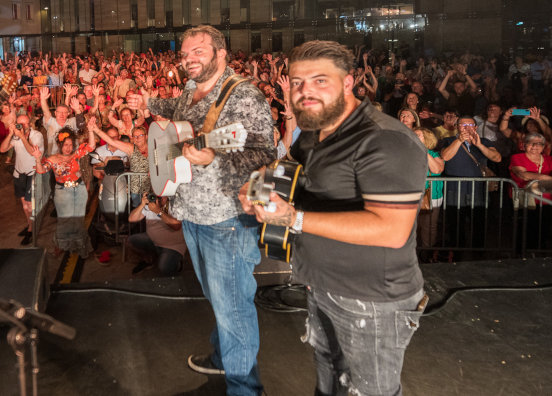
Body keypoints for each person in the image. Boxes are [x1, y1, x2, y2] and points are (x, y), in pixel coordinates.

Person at [241, 40, 429, 396]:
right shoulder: (316, 129)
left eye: (319, 80)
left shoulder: (385, 140)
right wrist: (257, 188)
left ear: (348, 82)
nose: (305, 91)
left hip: (372, 300)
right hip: (322, 285)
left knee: (371, 391)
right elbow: (291, 170)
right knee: (328, 380)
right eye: (296, 81)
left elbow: (391, 229)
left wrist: (294, 218)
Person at [130, 25, 275, 396]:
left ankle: (245, 389)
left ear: (221, 53)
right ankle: (224, 356)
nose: (189, 59)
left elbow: (266, 155)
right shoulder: (190, 91)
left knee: (233, 306)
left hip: (226, 218)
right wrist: (147, 103)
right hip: (192, 213)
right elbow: (175, 113)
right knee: (217, 298)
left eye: (198, 52)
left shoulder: (243, 95)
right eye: (184, 53)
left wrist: (216, 159)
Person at [437, 115, 502, 252]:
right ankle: (457, 250)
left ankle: (478, 250)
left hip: (478, 187)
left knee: (478, 220)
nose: (467, 128)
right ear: (456, 127)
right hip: (454, 187)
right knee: (455, 221)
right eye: (463, 125)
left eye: (471, 125)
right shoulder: (448, 140)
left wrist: (479, 145)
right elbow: (445, 157)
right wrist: (458, 141)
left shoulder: (484, 141)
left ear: (476, 127)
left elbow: (497, 158)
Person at [33, 125, 97, 259]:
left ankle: (80, 246)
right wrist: (38, 158)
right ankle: (60, 246)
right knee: (64, 220)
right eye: (66, 144)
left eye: (70, 145)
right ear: (59, 144)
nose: (68, 147)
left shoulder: (76, 154)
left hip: (79, 189)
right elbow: (40, 170)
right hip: (62, 191)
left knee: (79, 219)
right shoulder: (52, 158)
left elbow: (91, 146)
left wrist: (90, 130)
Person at [509, 132, 552, 249]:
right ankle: (523, 254)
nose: (535, 146)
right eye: (531, 143)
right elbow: (523, 175)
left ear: (543, 146)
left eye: (539, 144)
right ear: (524, 145)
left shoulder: (550, 159)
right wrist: (547, 178)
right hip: (524, 200)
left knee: (543, 227)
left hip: (546, 201)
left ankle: (538, 253)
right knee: (524, 227)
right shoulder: (517, 157)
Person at [0, 113, 44, 246]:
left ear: (30, 124)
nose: (23, 126)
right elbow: (2, 149)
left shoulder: (37, 135)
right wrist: (10, 134)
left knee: (30, 204)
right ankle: (30, 225)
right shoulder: (15, 136)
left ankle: (31, 229)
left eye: (25, 123)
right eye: (20, 124)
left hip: (32, 172)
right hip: (19, 173)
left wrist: (22, 137)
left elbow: (32, 151)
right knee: (24, 204)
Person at [126, 192, 186, 275]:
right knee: (130, 241)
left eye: (162, 195)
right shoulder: (151, 202)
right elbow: (131, 219)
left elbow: (176, 226)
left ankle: (178, 261)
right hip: (153, 240)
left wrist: (159, 212)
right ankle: (148, 261)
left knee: (165, 268)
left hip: (172, 246)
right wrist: (142, 204)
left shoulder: (175, 202)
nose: (158, 197)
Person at [413, 127, 446, 262]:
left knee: (429, 227)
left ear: (427, 139)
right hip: (411, 196)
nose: (414, 137)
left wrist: (424, 150)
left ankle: (427, 254)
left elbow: (437, 169)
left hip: (431, 195)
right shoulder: (406, 153)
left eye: (418, 135)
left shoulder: (434, 154)